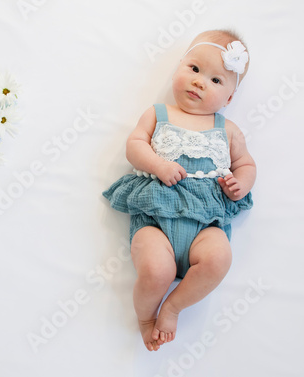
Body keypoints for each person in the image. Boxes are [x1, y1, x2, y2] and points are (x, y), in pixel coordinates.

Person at [102, 30, 256, 351]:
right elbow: (134, 145)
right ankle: (146, 318)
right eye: (195, 69)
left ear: (229, 99)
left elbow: (246, 164)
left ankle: (172, 307)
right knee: (157, 270)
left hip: (205, 225)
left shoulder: (227, 129)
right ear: (179, 68)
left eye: (216, 80)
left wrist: (240, 184)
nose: (200, 82)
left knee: (219, 259)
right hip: (157, 218)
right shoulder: (159, 114)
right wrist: (158, 165)